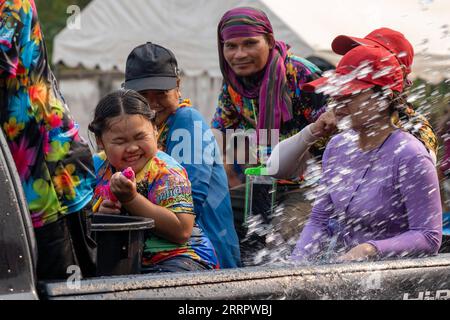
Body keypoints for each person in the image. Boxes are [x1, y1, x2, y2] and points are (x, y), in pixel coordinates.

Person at [292, 45, 442, 263]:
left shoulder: (410, 155)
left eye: (349, 95)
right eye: (336, 95)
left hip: (395, 276)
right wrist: (295, 266)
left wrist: (368, 249)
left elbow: (429, 237)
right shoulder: (336, 146)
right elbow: (319, 220)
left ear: (383, 99)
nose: (338, 105)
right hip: (348, 271)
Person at [211, 6, 330, 265]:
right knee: (212, 209)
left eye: (250, 43)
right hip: (263, 183)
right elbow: (218, 131)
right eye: (230, 46)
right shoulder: (233, 83)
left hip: (311, 186)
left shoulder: (300, 74)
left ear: (269, 40)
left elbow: (337, 132)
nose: (239, 54)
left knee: (279, 238)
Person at [0, 0, 96, 280]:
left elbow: (4, 54)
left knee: (60, 280)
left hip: (47, 164)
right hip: (15, 161)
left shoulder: (13, 3)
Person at [122, 43, 240, 268]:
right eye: (142, 95)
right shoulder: (141, 131)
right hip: (168, 252)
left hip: (203, 256)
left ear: (178, 86)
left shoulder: (187, 120)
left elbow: (189, 202)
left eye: (161, 94)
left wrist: (129, 200)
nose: (152, 104)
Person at [89, 89, 219, 272]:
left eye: (140, 137)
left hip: (182, 259)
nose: (132, 148)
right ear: (100, 141)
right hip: (129, 260)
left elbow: (182, 230)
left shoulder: (165, 171)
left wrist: (131, 199)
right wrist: (101, 213)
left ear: (155, 129)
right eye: (120, 142)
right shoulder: (97, 167)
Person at [331, 27, 438, 163]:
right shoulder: (339, 110)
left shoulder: (418, 127)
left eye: (369, 56)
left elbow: (418, 167)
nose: (356, 59)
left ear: (398, 71)